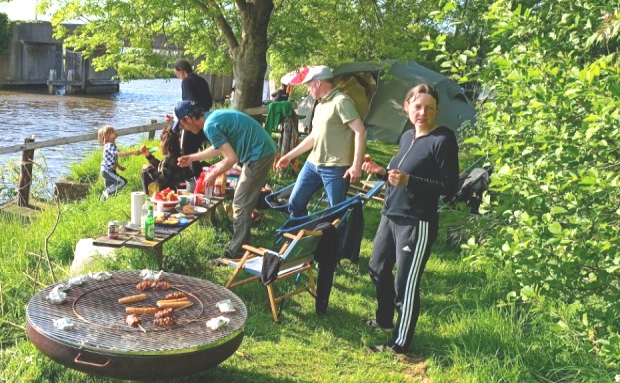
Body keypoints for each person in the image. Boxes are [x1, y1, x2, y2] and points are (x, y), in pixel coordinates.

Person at [361, 84, 459, 354]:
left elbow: (449, 187)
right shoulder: (406, 137)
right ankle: (385, 321)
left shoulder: (442, 139)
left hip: (417, 222)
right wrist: (383, 173)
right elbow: (399, 178)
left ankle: (399, 344)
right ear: (406, 108)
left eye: (429, 108)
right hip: (391, 215)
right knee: (377, 268)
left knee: (405, 281)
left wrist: (410, 180)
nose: (422, 112)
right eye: (417, 106)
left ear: (436, 110)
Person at [174, 100, 277, 261]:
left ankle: (235, 253)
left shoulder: (210, 126)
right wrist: (192, 158)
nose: (184, 129)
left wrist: (213, 173)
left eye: (182, 125)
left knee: (240, 204)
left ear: (188, 119)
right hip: (263, 151)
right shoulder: (213, 118)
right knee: (244, 202)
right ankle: (242, 245)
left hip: (259, 155)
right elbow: (219, 147)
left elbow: (231, 158)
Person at [274, 65, 367, 218]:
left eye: (309, 85)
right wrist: (289, 156)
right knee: (295, 203)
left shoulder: (341, 102)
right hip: (313, 164)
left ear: (318, 83)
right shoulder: (320, 105)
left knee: (335, 214)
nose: (308, 89)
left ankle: (333, 241)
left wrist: (356, 165)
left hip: (336, 168)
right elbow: (313, 137)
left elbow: (360, 131)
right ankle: (303, 239)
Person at [169, 59, 213, 178]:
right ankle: (202, 173)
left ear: (182, 71)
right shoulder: (202, 80)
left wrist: (183, 118)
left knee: (187, 149)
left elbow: (188, 103)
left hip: (192, 120)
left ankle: (194, 177)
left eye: (177, 74)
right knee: (198, 148)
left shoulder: (186, 82)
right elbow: (209, 101)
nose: (177, 77)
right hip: (204, 117)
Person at [139, 127, 192, 194]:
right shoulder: (179, 155)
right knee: (149, 170)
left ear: (165, 143)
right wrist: (149, 156)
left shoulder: (169, 159)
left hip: (172, 190)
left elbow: (161, 180)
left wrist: (148, 169)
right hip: (181, 187)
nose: (160, 143)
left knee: (145, 174)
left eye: (161, 141)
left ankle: (149, 198)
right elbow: (164, 169)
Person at [97, 125, 141, 200]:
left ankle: (104, 201)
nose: (115, 132)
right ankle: (105, 194)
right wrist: (132, 152)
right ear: (108, 135)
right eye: (113, 132)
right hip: (107, 171)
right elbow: (119, 154)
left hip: (108, 170)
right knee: (122, 182)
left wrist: (119, 166)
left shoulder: (112, 145)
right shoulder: (110, 145)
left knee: (111, 187)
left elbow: (112, 158)